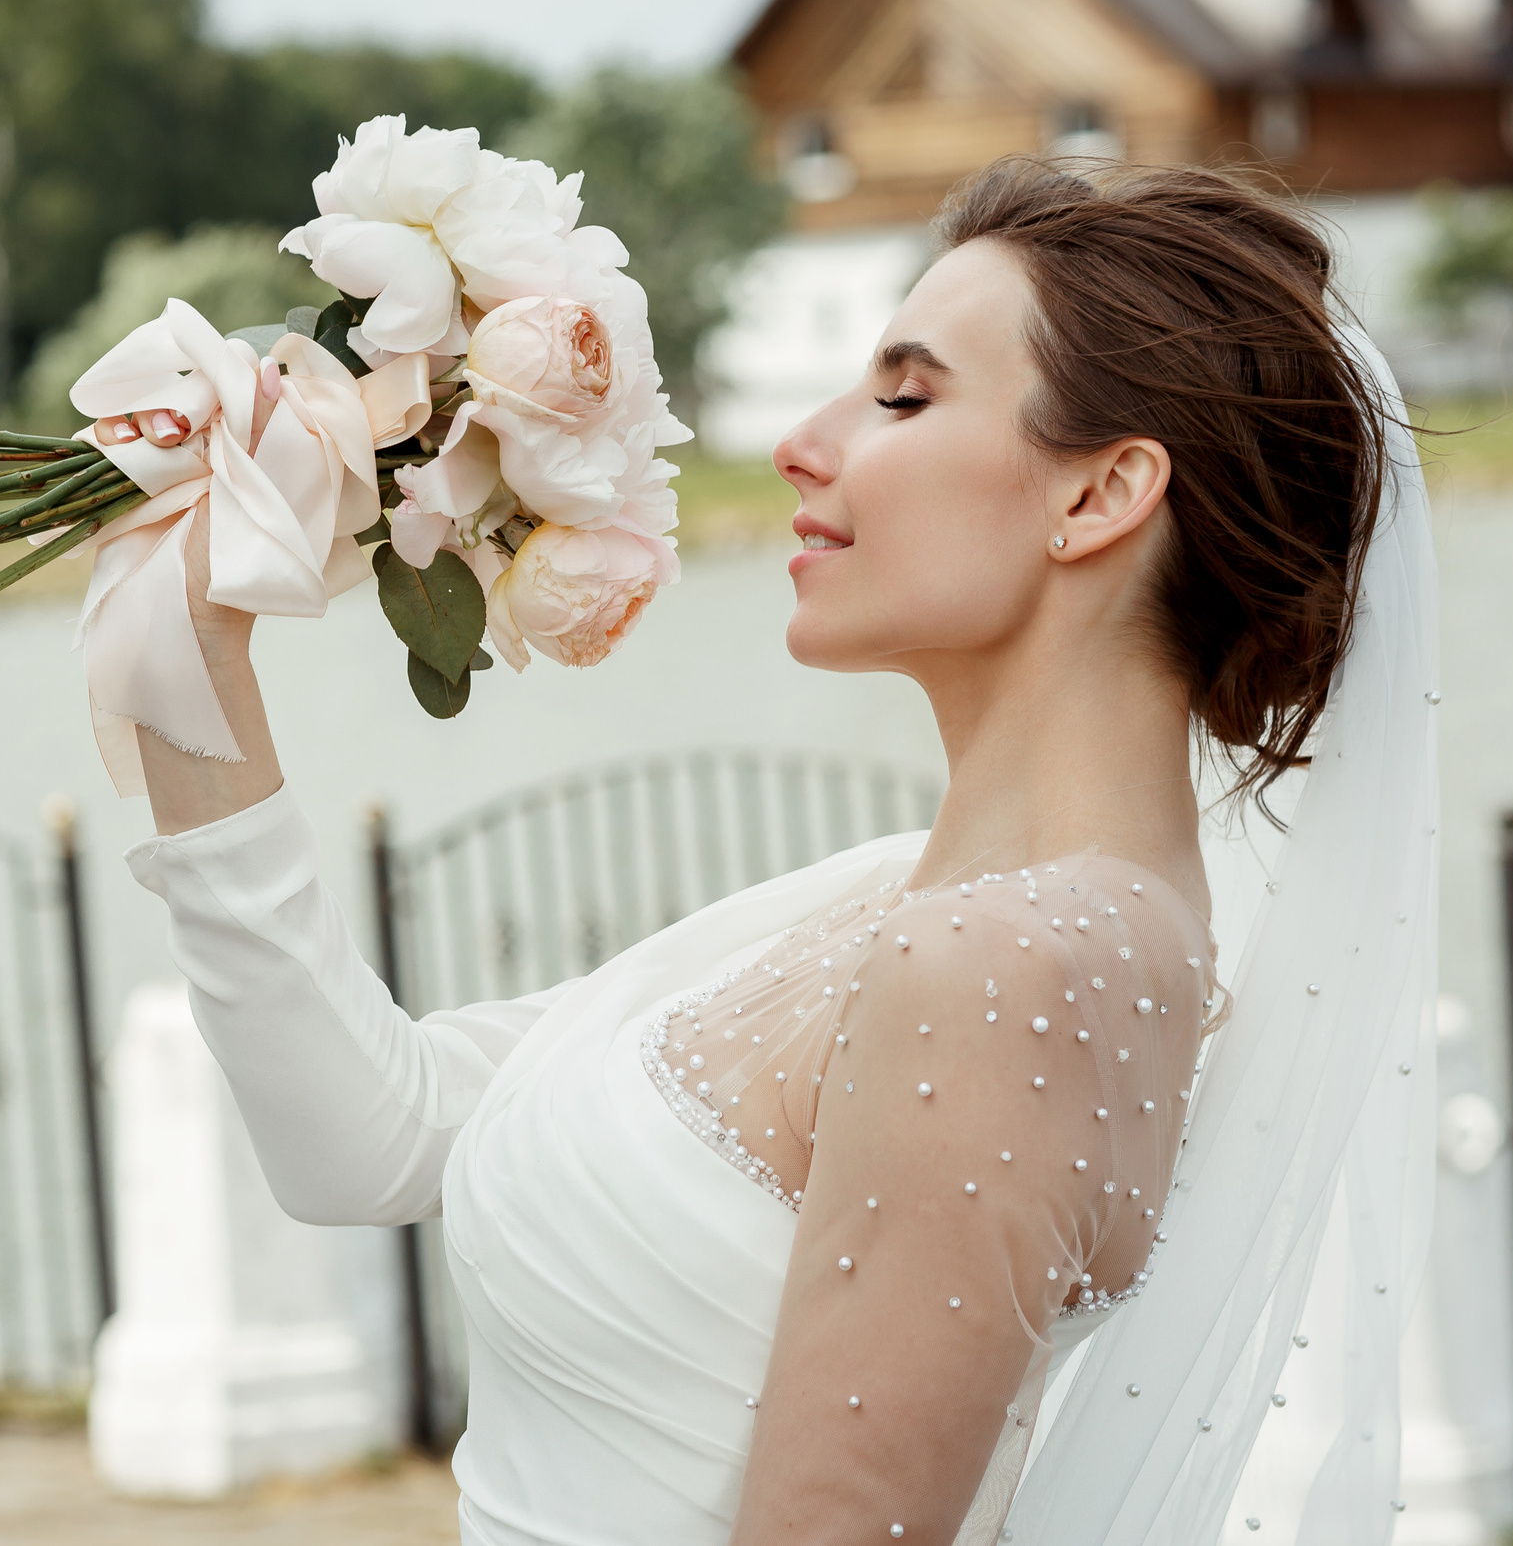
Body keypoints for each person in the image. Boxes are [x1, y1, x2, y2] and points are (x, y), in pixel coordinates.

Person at [96, 158, 1440, 1544]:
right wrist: (189, 639)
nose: (806, 440)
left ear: (1100, 496)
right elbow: (364, 1142)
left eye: (905, 397)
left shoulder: (1017, 964)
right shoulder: (901, 894)